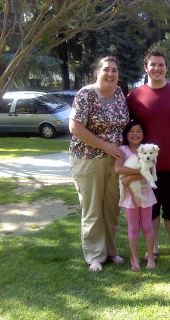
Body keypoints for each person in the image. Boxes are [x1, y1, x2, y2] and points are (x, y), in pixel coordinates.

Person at [127, 51, 170, 260]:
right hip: (146, 168)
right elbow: (126, 128)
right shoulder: (134, 96)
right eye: (153, 65)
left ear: (166, 68)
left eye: (161, 65)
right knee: (152, 210)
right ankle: (154, 247)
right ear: (145, 68)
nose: (157, 69)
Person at [69, 56, 129, 272]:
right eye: (106, 69)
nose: (110, 74)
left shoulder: (120, 93)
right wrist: (105, 146)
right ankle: (95, 255)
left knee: (111, 208)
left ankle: (111, 251)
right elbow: (75, 127)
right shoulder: (86, 94)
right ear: (98, 72)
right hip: (88, 159)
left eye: (114, 70)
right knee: (92, 207)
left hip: (114, 160)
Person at [115, 120, 157, 271]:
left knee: (147, 225)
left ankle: (151, 257)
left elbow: (150, 170)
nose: (135, 134)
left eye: (138, 131)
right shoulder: (122, 150)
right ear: (126, 134)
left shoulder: (147, 150)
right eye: (131, 131)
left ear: (143, 134)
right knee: (133, 227)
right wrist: (139, 173)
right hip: (129, 195)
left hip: (146, 192)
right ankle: (135, 259)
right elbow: (118, 169)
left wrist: (130, 177)